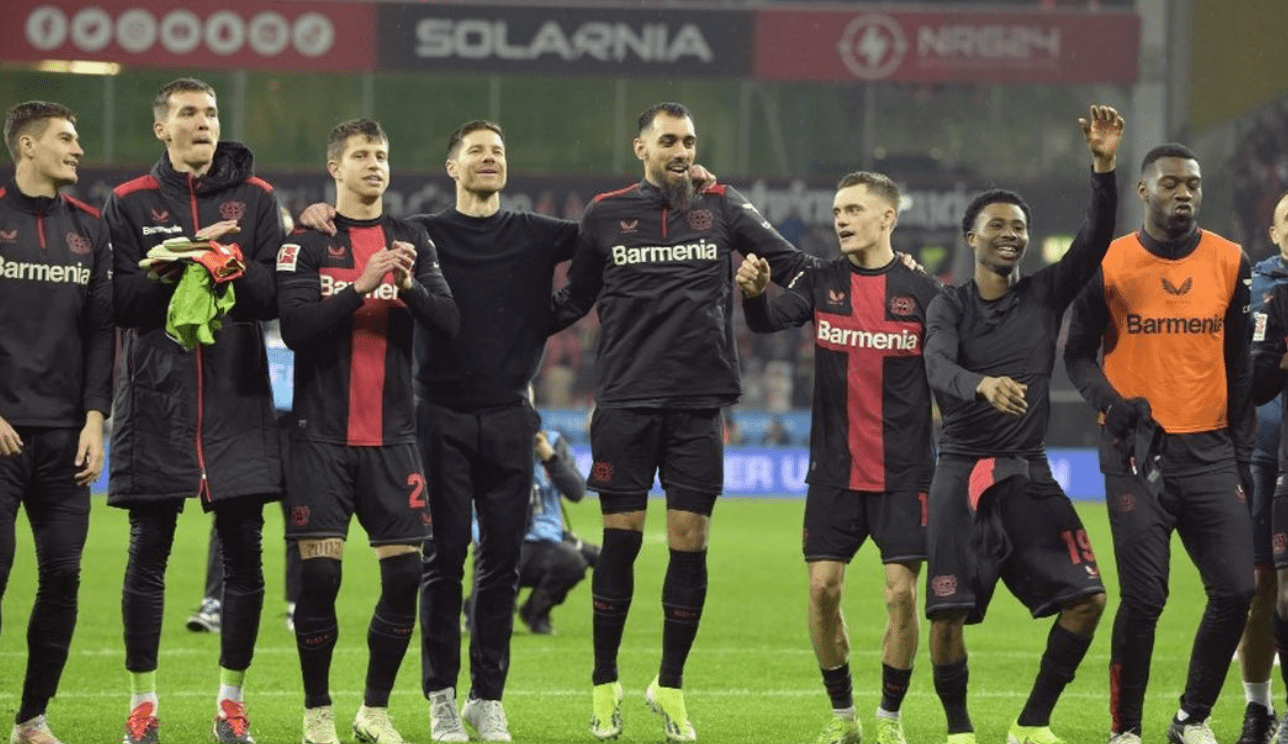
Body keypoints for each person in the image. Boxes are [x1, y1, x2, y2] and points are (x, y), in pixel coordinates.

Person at [300, 119, 585, 743]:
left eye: (499, 151)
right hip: (436, 415)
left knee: (502, 564)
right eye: (476, 151)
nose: (490, 159)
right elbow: (355, 231)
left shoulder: (534, 233)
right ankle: (441, 700)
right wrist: (319, 212)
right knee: (443, 561)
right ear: (452, 167)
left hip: (512, 415)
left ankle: (489, 698)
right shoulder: (420, 235)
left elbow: (602, 241)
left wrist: (555, 314)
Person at [551, 101, 820, 743]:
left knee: (689, 545)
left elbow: (799, 269)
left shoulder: (723, 207)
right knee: (618, 544)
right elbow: (573, 300)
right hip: (624, 402)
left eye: (690, 141)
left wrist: (765, 297)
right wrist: (500, 322)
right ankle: (604, 684)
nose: (682, 151)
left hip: (698, 404)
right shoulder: (605, 213)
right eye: (669, 140)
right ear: (640, 147)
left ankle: (668, 687)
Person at [923, 104, 1123, 744]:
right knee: (947, 614)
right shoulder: (948, 305)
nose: (1010, 234)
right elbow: (935, 365)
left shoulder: (1044, 294)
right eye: (997, 226)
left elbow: (1093, 243)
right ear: (971, 238)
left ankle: (1031, 724)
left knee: (1089, 599)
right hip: (961, 472)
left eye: (1019, 227)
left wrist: (1103, 166)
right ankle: (959, 731)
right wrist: (981, 384)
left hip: (1027, 473)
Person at [105, 77, 285, 744]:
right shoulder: (127, 203)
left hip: (236, 395)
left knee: (245, 551)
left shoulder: (258, 200)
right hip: (157, 395)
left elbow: (275, 296)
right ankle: (142, 705)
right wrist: (174, 260)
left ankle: (230, 704)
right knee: (148, 549)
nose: (203, 122)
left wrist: (227, 261)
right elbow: (114, 302)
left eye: (210, 112)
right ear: (163, 129)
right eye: (188, 113)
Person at [735, 170, 942, 744]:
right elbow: (770, 322)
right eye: (837, 212)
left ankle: (889, 721)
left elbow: (951, 369)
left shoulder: (926, 294)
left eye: (853, 209)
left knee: (901, 595)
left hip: (905, 472)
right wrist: (753, 294)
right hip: (834, 470)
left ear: (887, 218)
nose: (842, 220)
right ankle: (844, 715)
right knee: (823, 589)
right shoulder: (822, 280)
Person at [1064, 142, 1255, 744]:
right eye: (1171, 184)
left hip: (1209, 451)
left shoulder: (1230, 261)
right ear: (1143, 192)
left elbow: (1239, 363)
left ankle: (1190, 718)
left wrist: (1239, 441)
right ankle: (1126, 730)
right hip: (1135, 455)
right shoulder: (1111, 263)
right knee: (1145, 598)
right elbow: (1075, 355)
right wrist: (1111, 406)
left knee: (1237, 589)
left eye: (1193, 185)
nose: (1184, 194)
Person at [277, 118, 457, 744]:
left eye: (381, 154)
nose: (374, 165)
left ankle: (373, 710)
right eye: (361, 155)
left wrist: (403, 282)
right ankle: (317, 713)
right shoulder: (305, 241)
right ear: (336, 167)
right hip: (320, 439)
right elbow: (298, 330)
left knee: (404, 577)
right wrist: (359, 285)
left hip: (393, 437)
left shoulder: (413, 242)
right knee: (321, 578)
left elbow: (449, 322)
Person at [0, 101, 112, 744]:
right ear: (26, 146)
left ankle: (31, 719)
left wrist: (96, 418)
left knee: (63, 578)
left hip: (66, 439)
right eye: (66, 140)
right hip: (2, 434)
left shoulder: (91, 230)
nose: (77, 150)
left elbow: (101, 332)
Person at [188, 206, 302, 636]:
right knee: (232, 511)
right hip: (248, 412)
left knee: (300, 515)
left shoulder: (301, 280)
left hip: (293, 419)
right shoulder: (241, 276)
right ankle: (214, 602)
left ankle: (296, 603)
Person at [1234, 189, 1288, 744]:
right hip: (1259, 454)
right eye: (1287, 221)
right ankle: (1258, 707)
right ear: (1272, 234)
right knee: (1258, 587)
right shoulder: (1252, 286)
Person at [464, 429, 598, 636]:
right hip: (495, 542)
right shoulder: (486, 440)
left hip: (541, 543)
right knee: (488, 629)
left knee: (573, 561)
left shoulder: (552, 441)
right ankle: (475, 605)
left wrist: (549, 457)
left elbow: (576, 491)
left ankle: (535, 612)